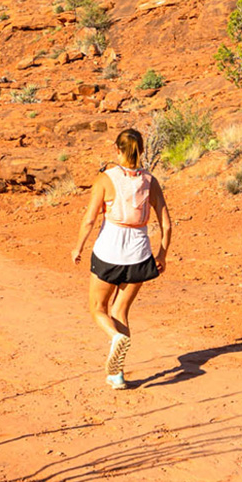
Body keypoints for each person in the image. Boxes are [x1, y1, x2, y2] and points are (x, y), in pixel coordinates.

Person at [71, 128, 172, 389]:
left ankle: (114, 337)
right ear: (142, 150)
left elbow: (90, 219)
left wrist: (78, 248)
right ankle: (117, 376)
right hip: (139, 255)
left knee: (98, 309)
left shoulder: (106, 179)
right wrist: (162, 253)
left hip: (109, 253)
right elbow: (167, 224)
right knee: (120, 310)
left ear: (117, 150)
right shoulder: (150, 180)